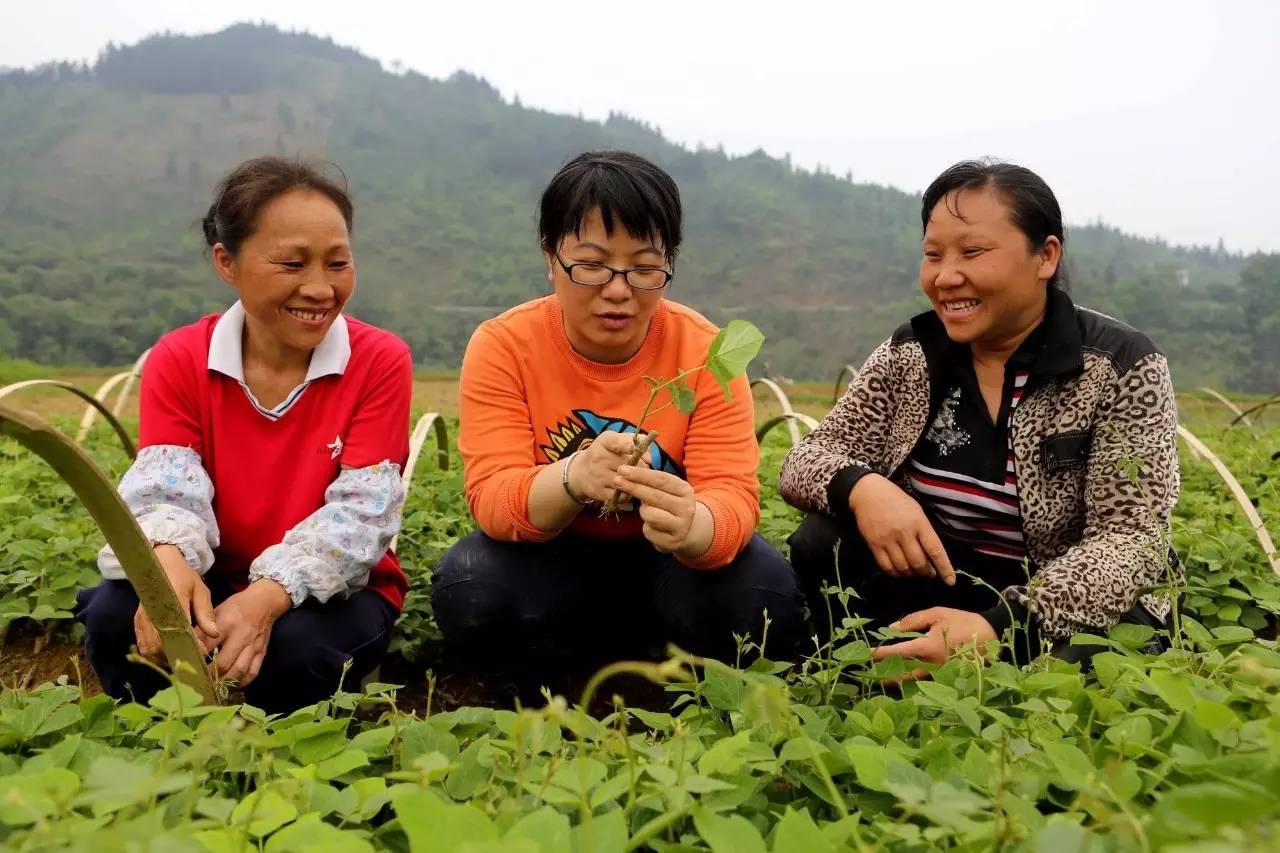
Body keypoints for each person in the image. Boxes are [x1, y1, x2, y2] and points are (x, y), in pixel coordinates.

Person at [780, 159, 1180, 674]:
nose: (946, 276)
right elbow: (806, 458)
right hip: (951, 574)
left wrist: (1002, 626)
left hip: (1062, 599)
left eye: (972, 252)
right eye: (933, 255)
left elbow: (1132, 540)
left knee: (1078, 668)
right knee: (823, 539)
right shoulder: (914, 353)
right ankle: (864, 674)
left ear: (1046, 256)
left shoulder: (1118, 365)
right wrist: (864, 487)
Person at [432, 150, 805, 692]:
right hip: (554, 559)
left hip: (670, 565)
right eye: (591, 264)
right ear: (550, 257)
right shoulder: (505, 345)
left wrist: (694, 525)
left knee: (766, 595)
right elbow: (493, 496)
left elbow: (732, 493)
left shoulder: (706, 352)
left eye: (645, 267)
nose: (618, 289)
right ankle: (548, 686)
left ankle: (668, 682)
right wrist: (572, 478)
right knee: (472, 583)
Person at [75, 156, 413, 713]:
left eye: (337, 263)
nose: (320, 288)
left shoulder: (378, 361)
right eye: (291, 264)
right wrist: (170, 566)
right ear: (226, 262)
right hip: (214, 575)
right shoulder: (181, 358)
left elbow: (360, 516)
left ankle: (279, 769)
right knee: (117, 620)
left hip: (328, 590)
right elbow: (164, 492)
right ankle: (157, 744)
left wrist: (265, 600)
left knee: (296, 650)